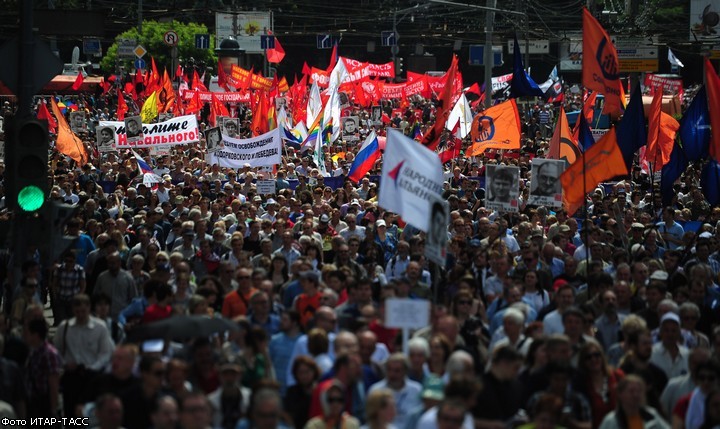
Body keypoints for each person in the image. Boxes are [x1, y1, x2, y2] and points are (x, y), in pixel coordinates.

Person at [598, 375, 669, 429]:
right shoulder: (611, 420)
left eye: (639, 391)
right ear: (620, 394)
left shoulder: (651, 415)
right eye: (631, 391)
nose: (636, 395)